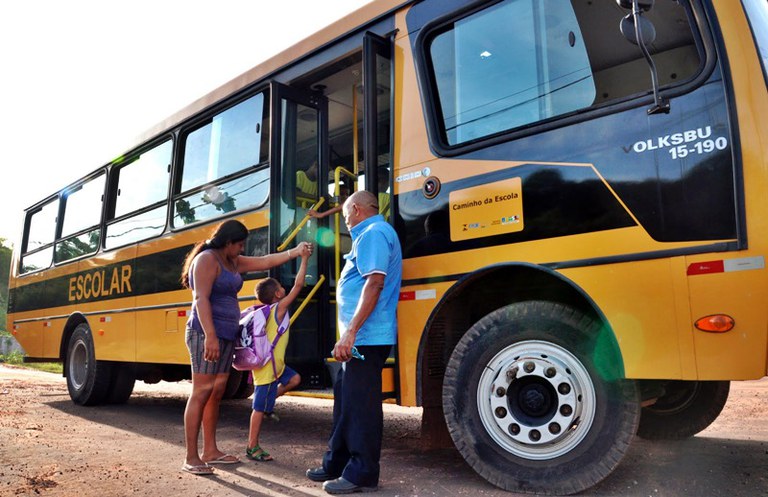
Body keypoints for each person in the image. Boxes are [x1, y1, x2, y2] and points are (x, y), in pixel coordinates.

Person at [179, 219, 312, 476]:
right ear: (227, 242)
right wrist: (210, 336)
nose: (242, 249)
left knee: (216, 392)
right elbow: (201, 299)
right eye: (239, 244)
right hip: (206, 334)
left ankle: (210, 451)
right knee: (201, 392)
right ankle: (191, 456)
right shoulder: (207, 260)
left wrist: (295, 253)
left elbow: (265, 261)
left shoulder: (232, 261)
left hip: (228, 334)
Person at [306, 190, 402, 494]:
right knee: (345, 401)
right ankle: (336, 463)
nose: (345, 222)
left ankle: (362, 473)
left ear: (358, 210)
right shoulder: (369, 233)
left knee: (360, 405)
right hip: (360, 336)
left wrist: (350, 333)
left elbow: (375, 282)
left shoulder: (374, 233)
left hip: (366, 337)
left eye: (346, 216)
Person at [245, 249, 309, 462]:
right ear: (278, 294)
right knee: (258, 410)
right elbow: (299, 286)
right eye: (281, 288)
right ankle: (252, 446)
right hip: (266, 371)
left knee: (295, 379)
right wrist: (305, 259)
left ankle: (270, 401)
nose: (285, 289)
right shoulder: (277, 310)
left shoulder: (269, 311)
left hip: (277, 367)